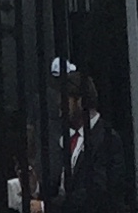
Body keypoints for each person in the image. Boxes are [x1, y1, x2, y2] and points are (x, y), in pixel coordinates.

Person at [29, 67, 131, 213]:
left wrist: (46, 207)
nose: (59, 105)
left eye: (65, 100)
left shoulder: (108, 139)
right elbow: (62, 187)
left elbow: (96, 193)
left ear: (81, 102)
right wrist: (36, 187)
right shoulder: (69, 139)